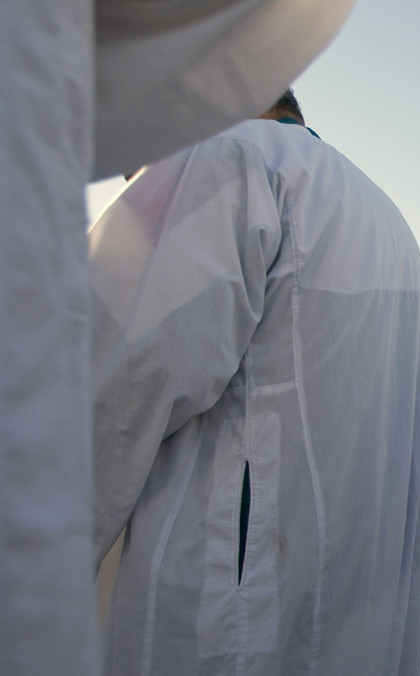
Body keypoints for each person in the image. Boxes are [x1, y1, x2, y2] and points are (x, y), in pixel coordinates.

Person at [2, 4, 351, 673]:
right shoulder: (365, 208)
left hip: (194, 601)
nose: (138, 181)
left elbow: (112, 394)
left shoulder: (230, 168)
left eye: (148, 160)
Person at [89, 91, 420, 674]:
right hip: (349, 615)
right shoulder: (389, 219)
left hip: (220, 612)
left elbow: (108, 391)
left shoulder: (228, 161)